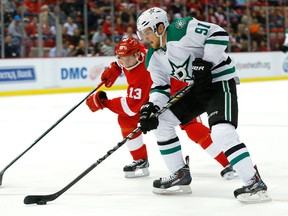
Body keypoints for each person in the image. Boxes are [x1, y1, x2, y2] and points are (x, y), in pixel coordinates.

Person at [136, 7, 271, 203]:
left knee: (221, 132)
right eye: (143, 34)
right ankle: (179, 174)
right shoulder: (153, 57)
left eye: (147, 32)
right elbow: (160, 87)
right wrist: (151, 108)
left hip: (219, 81)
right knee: (162, 121)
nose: (145, 38)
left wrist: (206, 62)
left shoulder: (181, 29)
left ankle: (254, 182)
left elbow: (218, 33)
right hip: (197, 88)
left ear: (160, 27)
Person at [85, 37, 235, 180]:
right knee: (126, 120)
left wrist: (104, 102)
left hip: (178, 92)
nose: (125, 62)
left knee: (192, 127)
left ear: (138, 54)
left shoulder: (143, 72)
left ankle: (229, 161)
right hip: (158, 94)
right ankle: (140, 160)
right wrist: (115, 68)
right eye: (121, 59)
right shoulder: (137, 54)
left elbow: (132, 106)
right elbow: (125, 59)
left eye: (128, 58)